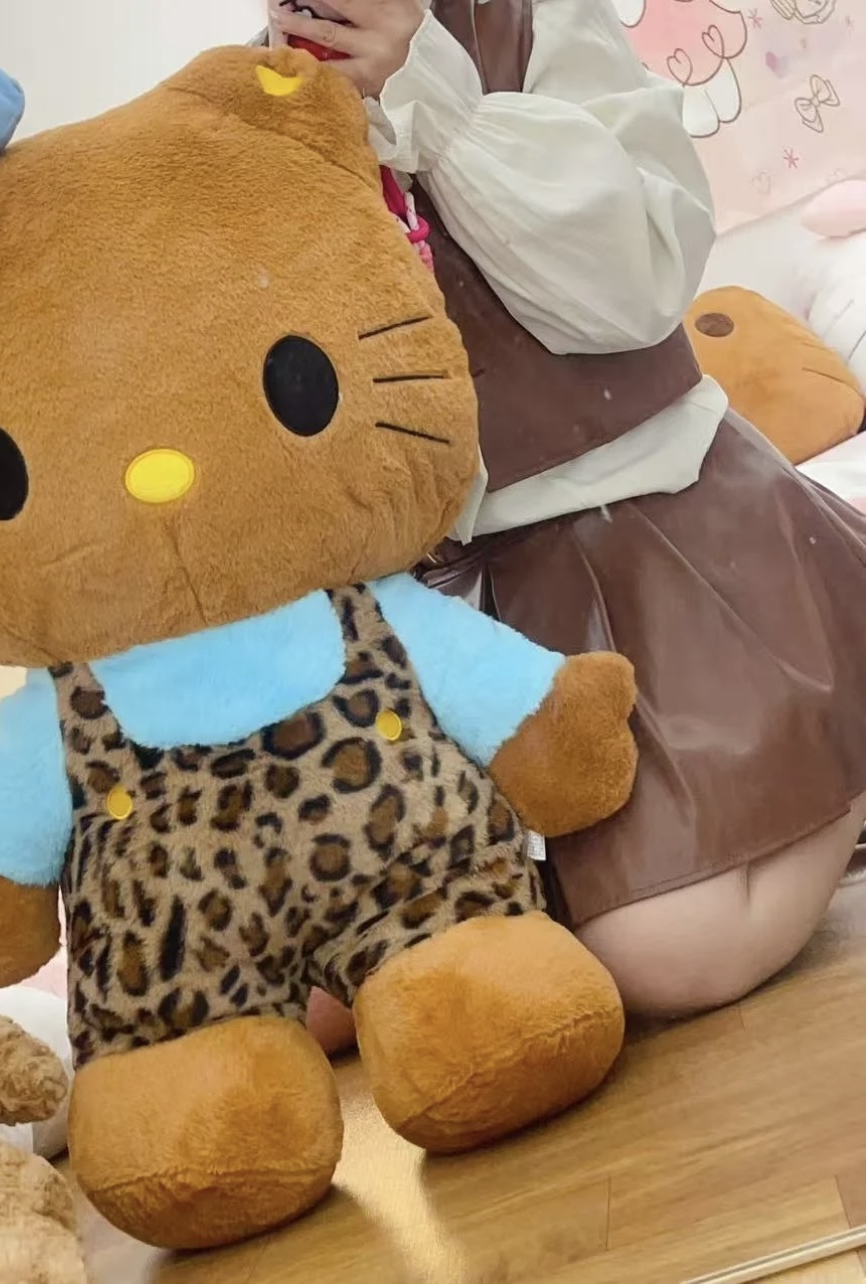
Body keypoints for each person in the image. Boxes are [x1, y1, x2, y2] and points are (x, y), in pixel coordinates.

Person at [264, 0, 866, 1048]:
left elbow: (634, 289)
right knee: (309, 986)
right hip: (431, 606)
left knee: (666, 953)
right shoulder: (240, 103)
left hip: (656, 524)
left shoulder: (525, 19)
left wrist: (433, 100)